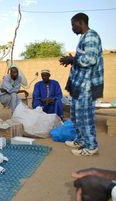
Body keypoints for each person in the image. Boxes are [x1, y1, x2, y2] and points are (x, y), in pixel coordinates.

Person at [59, 13, 103, 156]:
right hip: (79, 84)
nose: (72, 28)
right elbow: (82, 58)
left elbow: (90, 59)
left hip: (87, 86)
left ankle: (91, 146)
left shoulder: (91, 36)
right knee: (76, 115)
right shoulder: (83, 38)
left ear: (81, 22)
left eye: (73, 24)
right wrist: (71, 60)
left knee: (85, 116)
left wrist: (73, 60)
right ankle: (81, 140)